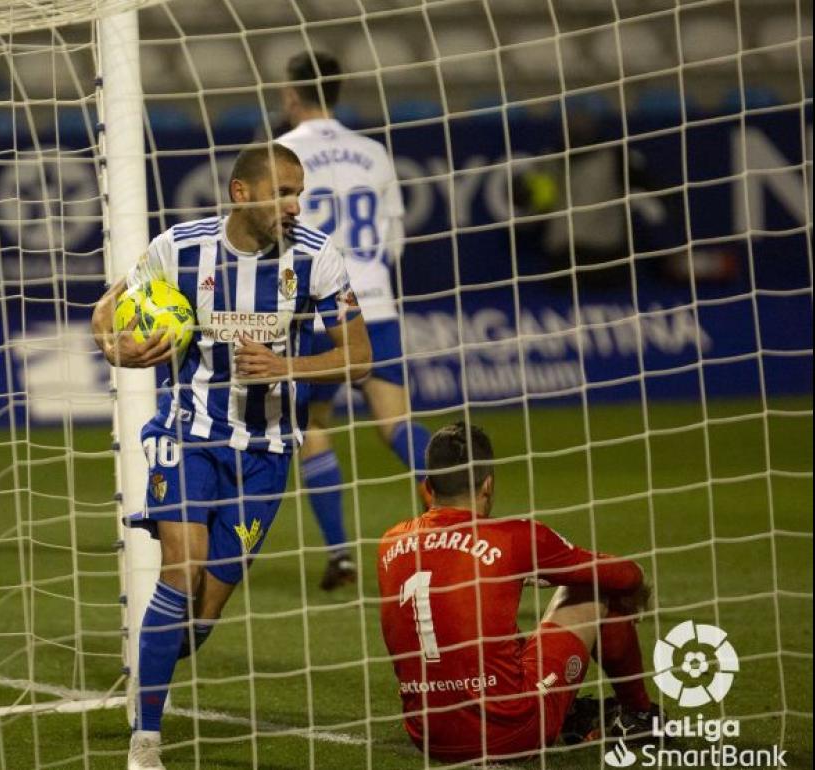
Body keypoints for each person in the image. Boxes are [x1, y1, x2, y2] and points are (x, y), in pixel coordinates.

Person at [93, 143, 372, 770]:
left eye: (299, 194)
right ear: (240, 193)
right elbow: (107, 310)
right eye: (282, 193)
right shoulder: (179, 248)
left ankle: (154, 664)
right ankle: (146, 741)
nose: (294, 206)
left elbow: (360, 359)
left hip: (267, 450)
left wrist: (286, 366)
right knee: (180, 569)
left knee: (203, 613)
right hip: (187, 432)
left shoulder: (317, 258)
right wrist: (113, 346)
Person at [377, 422, 659, 762]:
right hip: (513, 731)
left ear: (428, 487)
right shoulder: (514, 537)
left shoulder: (390, 543)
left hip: (428, 735)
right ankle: (639, 716)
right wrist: (640, 582)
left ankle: (571, 711)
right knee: (593, 586)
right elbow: (621, 576)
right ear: (488, 485)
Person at [277, 51, 433, 590]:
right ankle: (462, 523)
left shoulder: (281, 155)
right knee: (396, 424)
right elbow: (394, 242)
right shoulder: (374, 152)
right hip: (377, 307)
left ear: (291, 95)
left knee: (313, 426)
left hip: (317, 312)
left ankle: (340, 556)